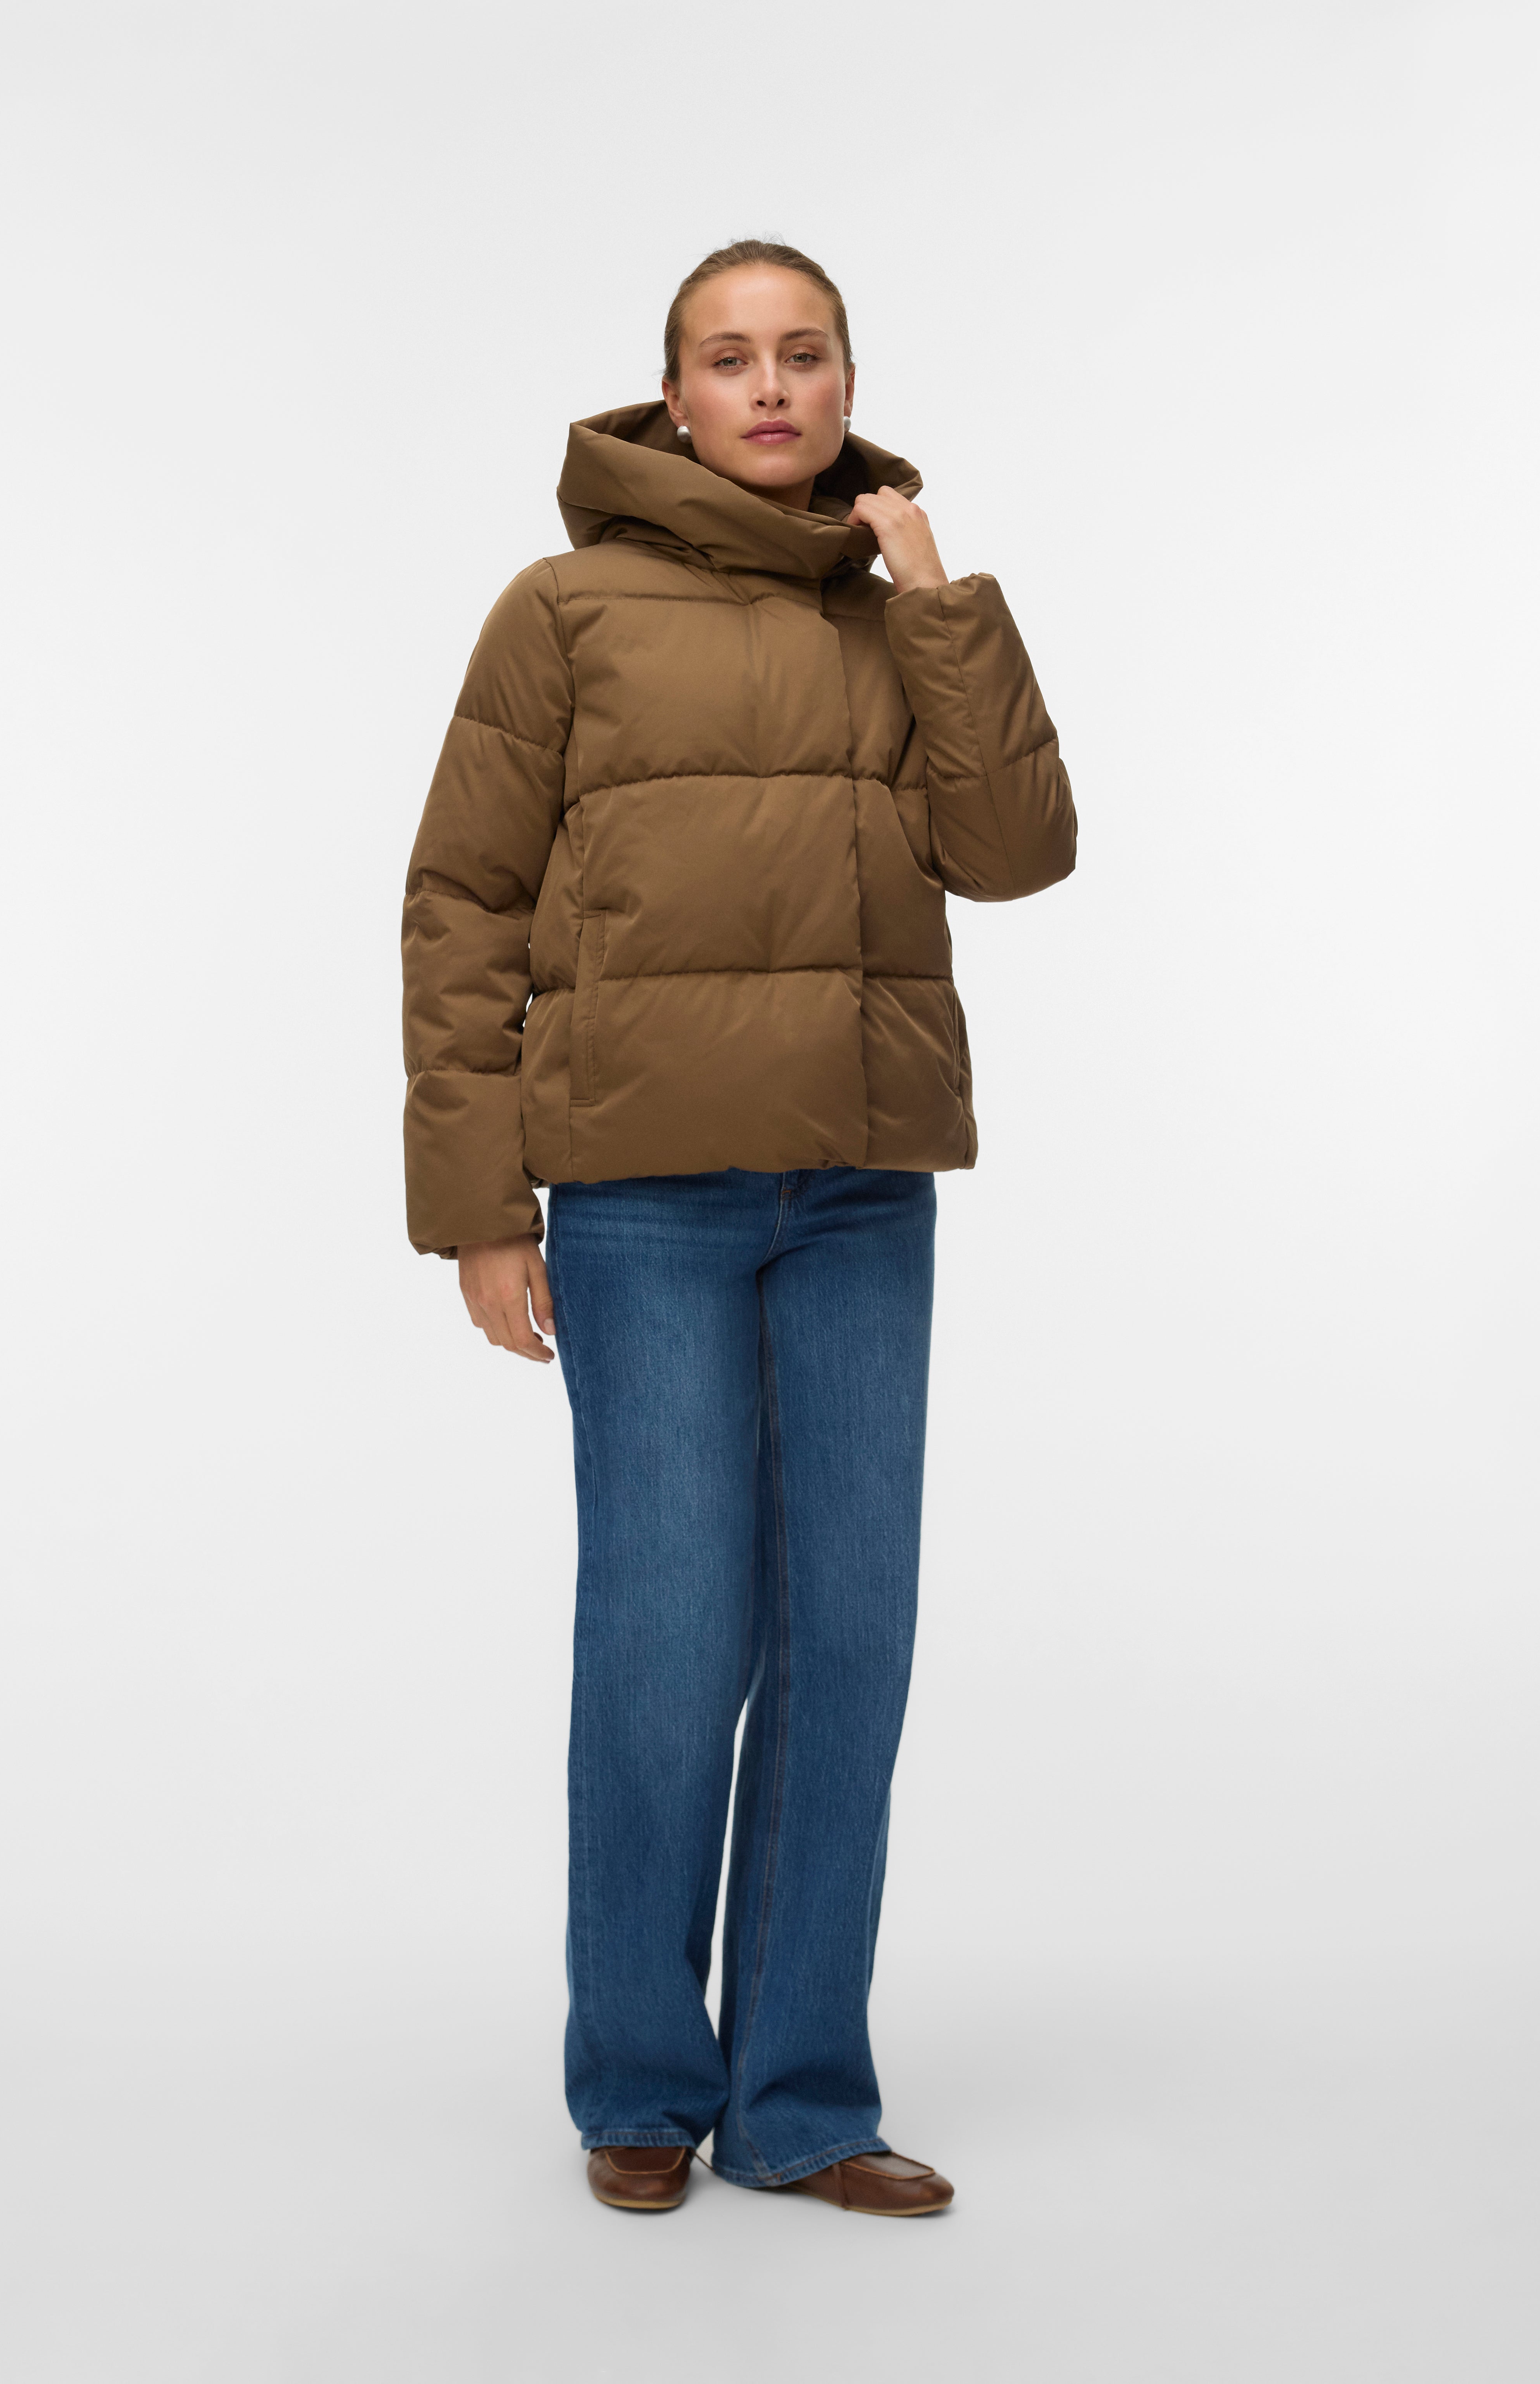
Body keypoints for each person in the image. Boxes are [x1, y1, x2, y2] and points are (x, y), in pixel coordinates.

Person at [402, 239, 1075, 2217]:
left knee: (847, 1642)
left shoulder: (897, 612)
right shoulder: (559, 613)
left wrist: (938, 599)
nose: (768, 386)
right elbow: (461, 905)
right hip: (645, 1198)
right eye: (728, 357)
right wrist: (478, 1208)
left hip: (859, 1185)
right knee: (668, 1636)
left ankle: (798, 2103)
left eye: (802, 354)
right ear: (672, 394)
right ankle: (636, 2079)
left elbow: (1017, 852)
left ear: (848, 383)